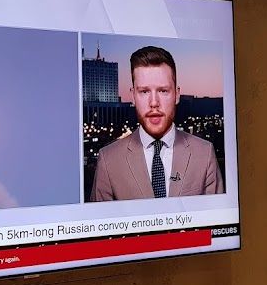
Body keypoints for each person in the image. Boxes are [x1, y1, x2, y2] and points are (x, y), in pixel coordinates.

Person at [91, 46, 224, 201]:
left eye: (163, 91)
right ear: (133, 96)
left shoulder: (204, 153)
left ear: (177, 95)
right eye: (144, 91)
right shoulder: (108, 160)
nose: (154, 103)